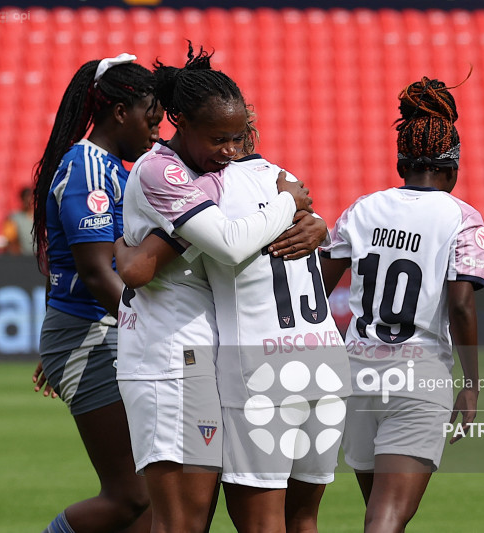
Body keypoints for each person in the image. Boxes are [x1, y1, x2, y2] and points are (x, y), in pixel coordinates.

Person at [116, 62, 350, 533]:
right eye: (218, 138)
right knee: (299, 518)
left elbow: (152, 263)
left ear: (247, 131)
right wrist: (302, 211)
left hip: (249, 368)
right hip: (318, 364)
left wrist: (126, 253)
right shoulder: (282, 180)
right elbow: (225, 244)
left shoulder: (211, 186)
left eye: (233, 138)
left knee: (205, 523)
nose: (226, 150)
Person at [319, 76, 484, 533]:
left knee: (378, 509)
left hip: (356, 372)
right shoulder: (462, 218)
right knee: (388, 516)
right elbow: (462, 306)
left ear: (401, 163)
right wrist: (471, 384)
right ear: (453, 166)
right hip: (418, 373)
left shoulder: (362, 209)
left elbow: (316, 288)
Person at [31, 53, 162, 533]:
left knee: (153, 500)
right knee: (133, 496)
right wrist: (148, 330)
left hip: (95, 333)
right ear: (121, 112)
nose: (155, 130)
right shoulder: (89, 167)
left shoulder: (110, 168)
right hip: (93, 334)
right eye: (150, 118)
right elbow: (93, 270)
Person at [2, 186, 34, 256]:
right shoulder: (13, 219)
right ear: (22, 199)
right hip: (21, 259)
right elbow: (11, 241)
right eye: (26, 198)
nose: (29, 201)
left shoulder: (41, 218)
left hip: (39, 259)